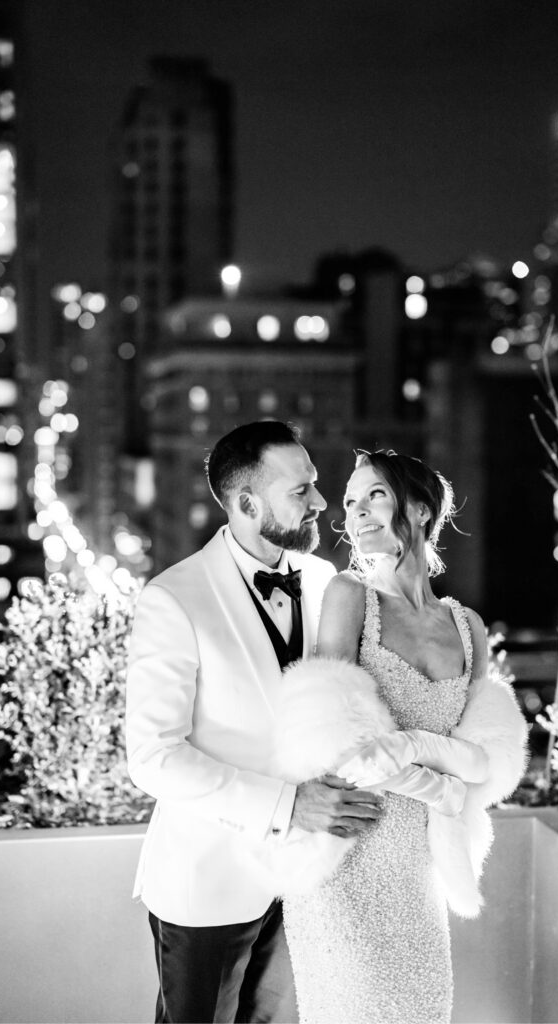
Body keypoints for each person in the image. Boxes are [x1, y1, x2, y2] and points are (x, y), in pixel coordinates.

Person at [125, 421, 384, 1024]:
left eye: (316, 485)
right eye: (301, 492)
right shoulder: (174, 598)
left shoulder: (329, 584)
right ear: (247, 503)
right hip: (208, 887)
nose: (322, 503)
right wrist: (287, 805)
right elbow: (153, 757)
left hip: (309, 884)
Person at [281, 449, 527, 1024]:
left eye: (375, 496)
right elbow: (334, 740)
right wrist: (442, 789)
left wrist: (427, 759)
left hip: (422, 869)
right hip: (349, 852)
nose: (356, 512)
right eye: (349, 501)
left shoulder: (468, 628)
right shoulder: (349, 596)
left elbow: (485, 759)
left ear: (418, 509)